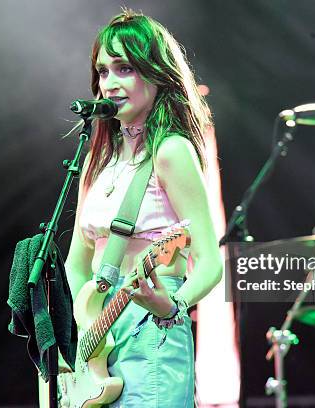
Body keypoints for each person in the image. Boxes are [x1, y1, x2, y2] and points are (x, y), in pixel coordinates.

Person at [64, 9, 223, 407]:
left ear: (156, 74)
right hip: (98, 337)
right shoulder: (96, 160)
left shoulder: (171, 151)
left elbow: (209, 261)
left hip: (152, 329)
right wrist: (81, 331)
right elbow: (76, 264)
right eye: (102, 72)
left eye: (124, 69)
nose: (110, 84)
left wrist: (173, 306)